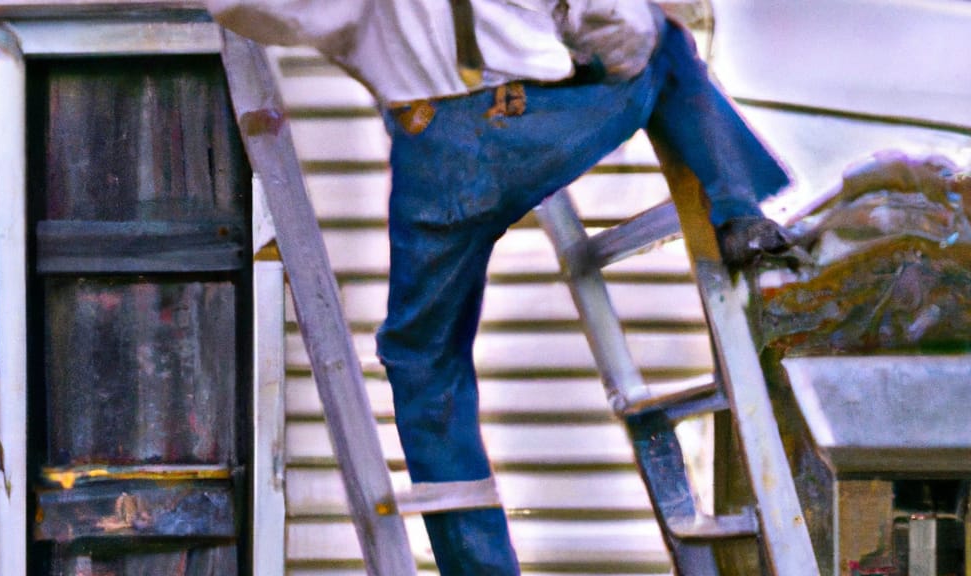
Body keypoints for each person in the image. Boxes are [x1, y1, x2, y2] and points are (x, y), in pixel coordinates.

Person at [208, 0, 791, 573]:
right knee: (664, 38)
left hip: (430, 155)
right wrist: (596, 64)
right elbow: (620, 24)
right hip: (514, 129)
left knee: (419, 358)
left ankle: (477, 566)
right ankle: (736, 212)